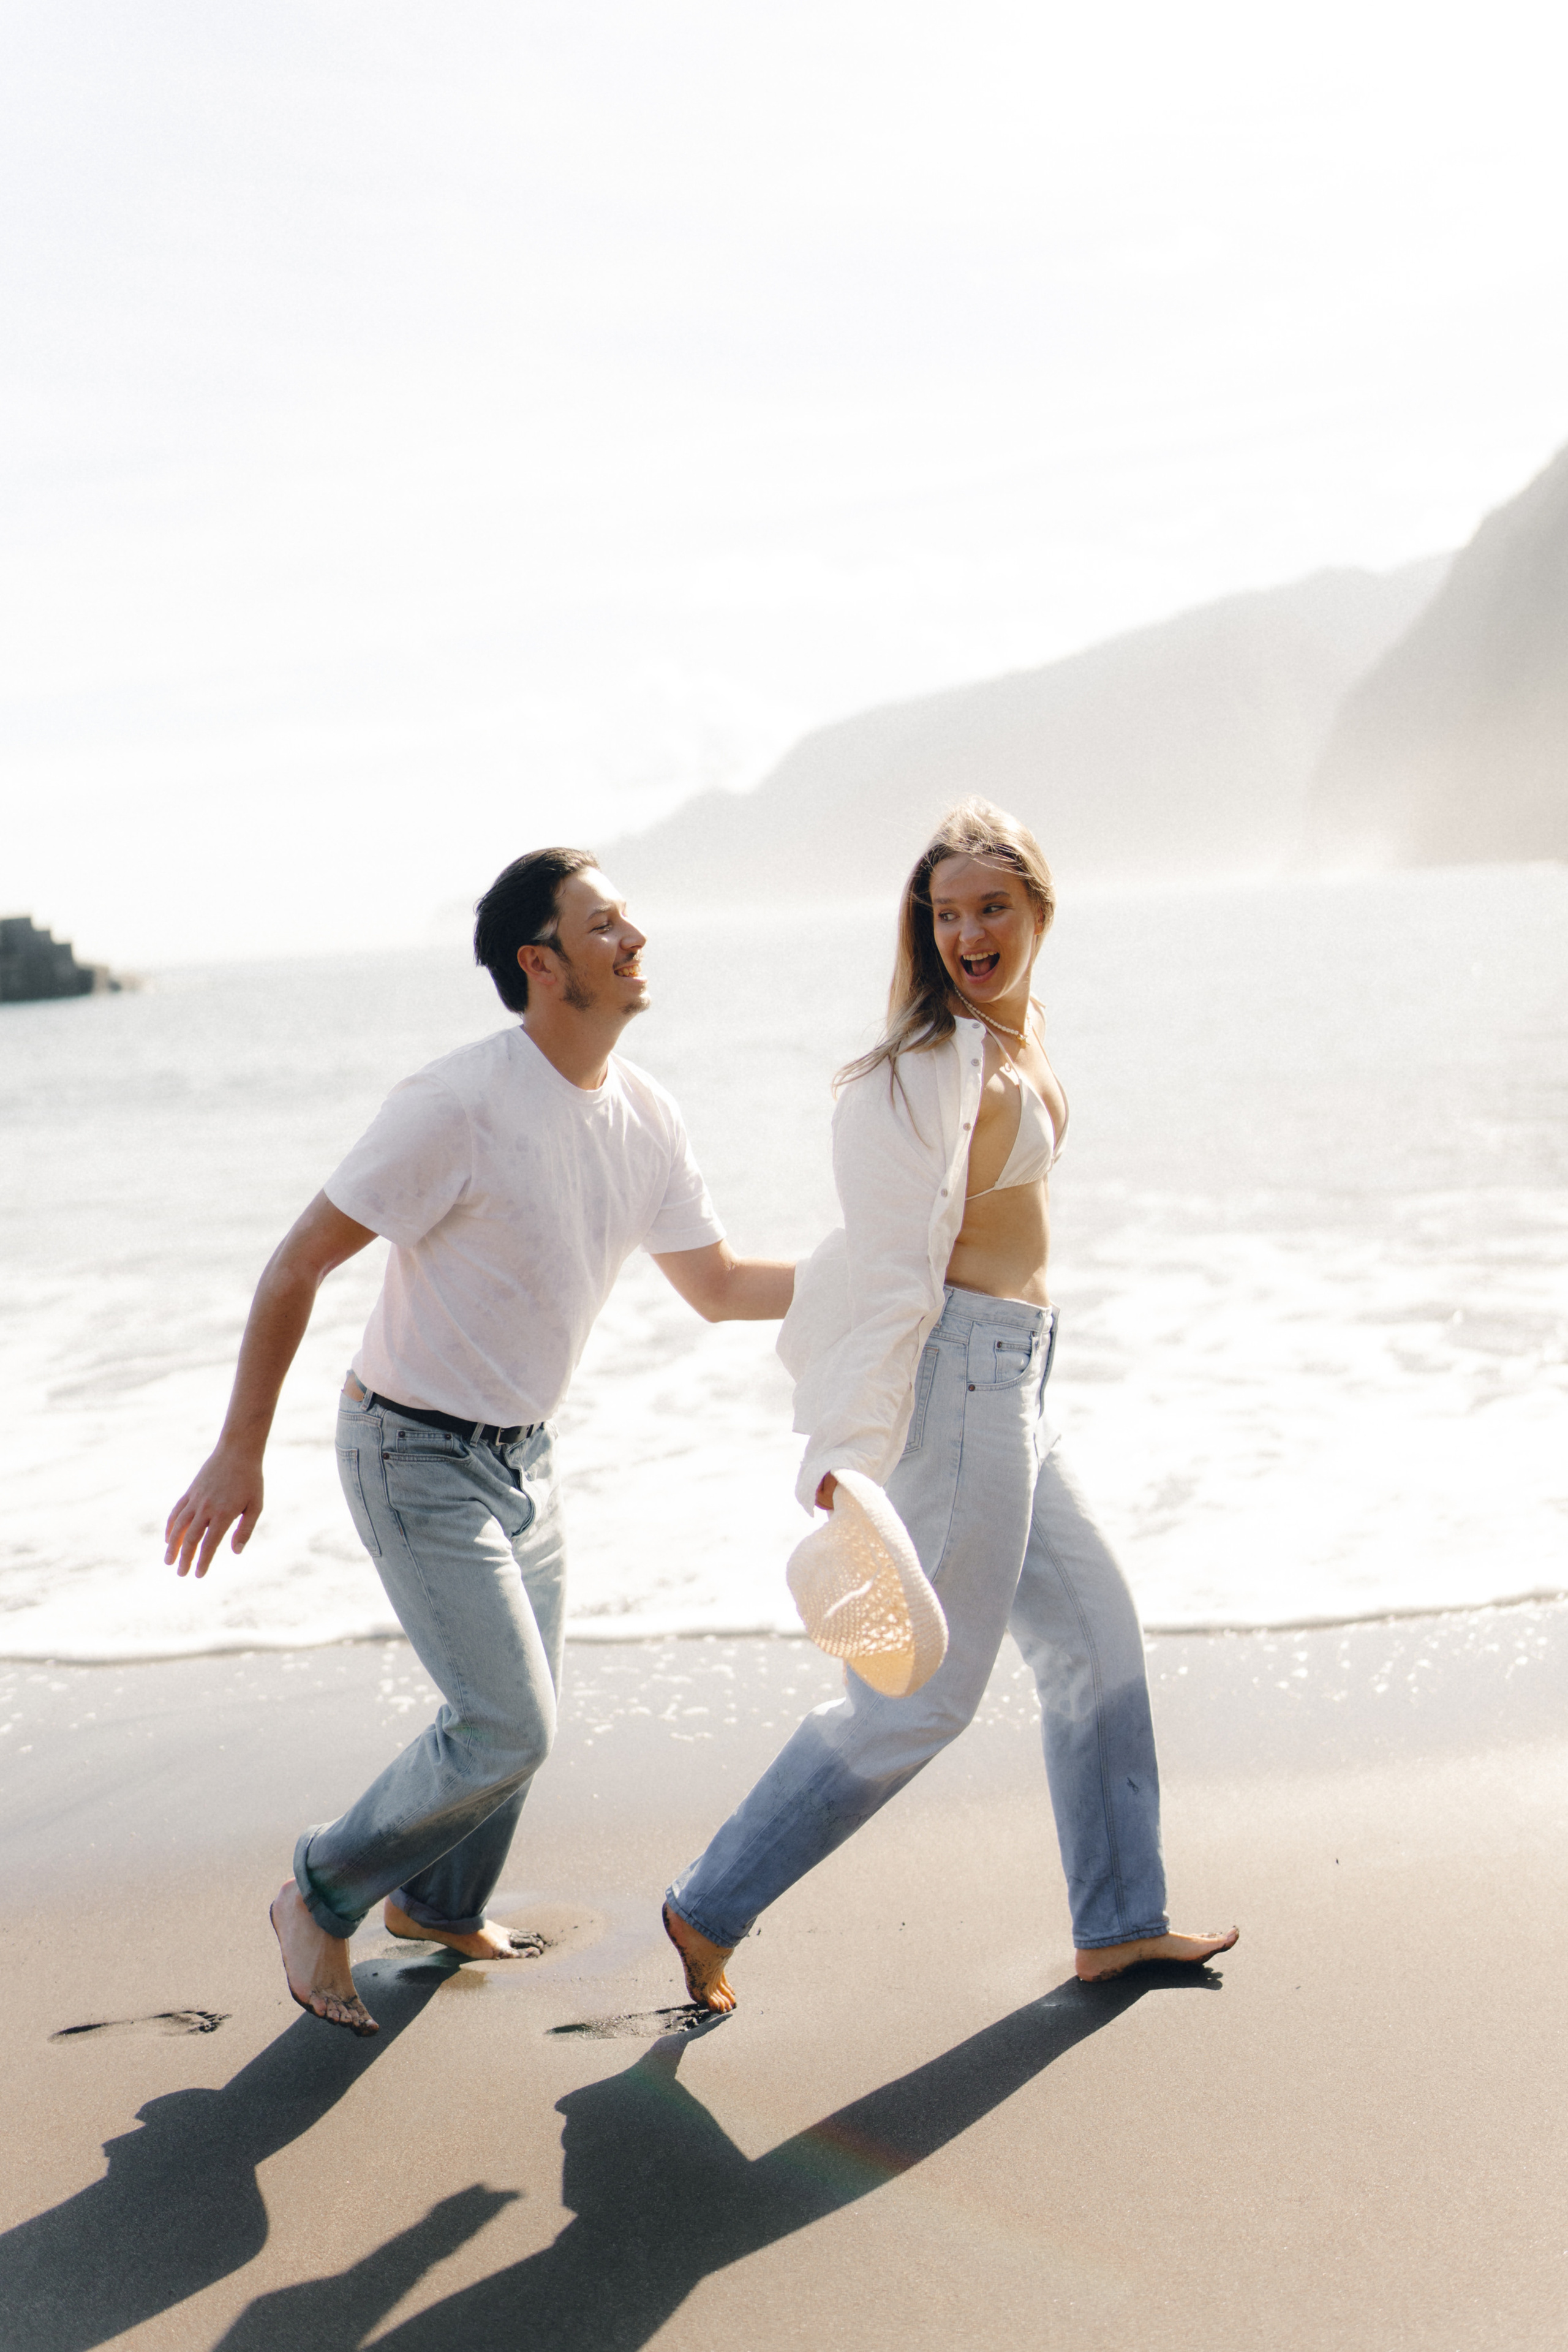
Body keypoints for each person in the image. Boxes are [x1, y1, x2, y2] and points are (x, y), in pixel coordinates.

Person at [165, 848, 794, 2036]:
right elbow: (298, 1263)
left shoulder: (643, 1112)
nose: (636, 939)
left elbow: (714, 1286)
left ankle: (440, 1904)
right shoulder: (455, 1104)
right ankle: (316, 1895)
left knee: (520, 1717)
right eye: (606, 925)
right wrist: (236, 1452)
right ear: (541, 964)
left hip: (524, 1459)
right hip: (410, 1451)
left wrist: (882, 1288)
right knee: (508, 1721)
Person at [663, 799, 1237, 2012]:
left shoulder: (1014, 1043)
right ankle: (709, 1902)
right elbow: (878, 1276)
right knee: (920, 1698)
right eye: (944, 914)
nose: (966, 931)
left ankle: (1119, 1927)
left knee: (1094, 1637)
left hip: (1022, 1377)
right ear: (920, 932)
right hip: (963, 1379)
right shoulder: (920, 1071)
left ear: (1035, 908)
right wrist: (846, 1455)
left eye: (988, 908)